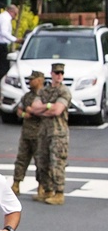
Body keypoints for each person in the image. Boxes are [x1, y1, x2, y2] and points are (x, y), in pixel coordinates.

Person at [32, 62, 71, 205]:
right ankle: (47, 190)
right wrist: (49, 106)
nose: (59, 75)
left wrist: (45, 108)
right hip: (43, 132)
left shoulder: (64, 91)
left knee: (57, 162)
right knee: (42, 161)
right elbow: (34, 108)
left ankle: (59, 192)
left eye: (61, 73)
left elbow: (57, 110)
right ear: (52, 74)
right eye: (57, 73)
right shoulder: (44, 91)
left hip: (58, 132)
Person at [11, 70, 47, 196]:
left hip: (40, 134)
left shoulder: (46, 96)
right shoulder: (27, 96)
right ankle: (16, 184)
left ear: (39, 80)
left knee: (41, 162)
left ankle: (41, 187)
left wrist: (36, 111)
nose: (30, 81)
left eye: (32, 79)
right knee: (21, 159)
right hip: (26, 133)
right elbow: (19, 109)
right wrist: (24, 114)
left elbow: (48, 110)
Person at [0, 4, 19, 99]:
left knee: (0, 68)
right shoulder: (5, 19)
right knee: (4, 68)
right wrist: (15, 39)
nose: (15, 17)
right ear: (12, 12)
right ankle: (1, 90)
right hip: (0, 45)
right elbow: (4, 32)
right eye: (15, 14)